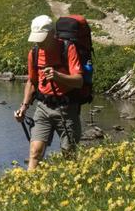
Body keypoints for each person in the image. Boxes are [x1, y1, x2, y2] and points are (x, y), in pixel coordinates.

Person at [14, 15, 84, 170]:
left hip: (67, 108)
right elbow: (32, 82)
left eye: (42, 38)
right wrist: (24, 107)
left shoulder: (68, 48)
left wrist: (58, 76)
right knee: (35, 151)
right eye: (37, 39)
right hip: (43, 107)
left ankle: (73, 186)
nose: (39, 42)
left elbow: (79, 81)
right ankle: (29, 189)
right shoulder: (34, 53)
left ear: (52, 33)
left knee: (69, 153)